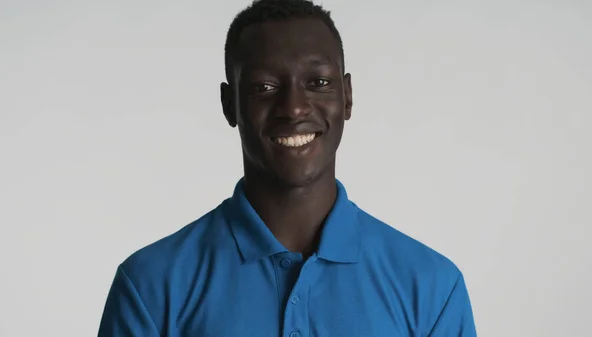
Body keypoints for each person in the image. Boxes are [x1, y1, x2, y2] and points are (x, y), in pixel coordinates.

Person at [98, 0, 477, 336]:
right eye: (264, 87)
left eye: (319, 82)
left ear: (347, 97)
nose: (294, 108)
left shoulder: (431, 288)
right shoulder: (150, 287)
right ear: (229, 104)